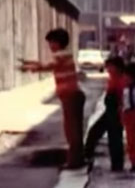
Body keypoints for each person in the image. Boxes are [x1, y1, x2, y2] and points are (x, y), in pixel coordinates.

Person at [19, 28, 85, 169]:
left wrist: (29, 67)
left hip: (71, 96)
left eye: (51, 42)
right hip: (72, 96)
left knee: (71, 131)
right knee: (75, 130)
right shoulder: (64, 55)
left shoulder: (61, 55)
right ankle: (77, 159)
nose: (50, 46)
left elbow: (47, 66)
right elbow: (47, 64)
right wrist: (30, 63)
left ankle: (74, 162)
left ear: (58, 43)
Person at [84, 56, 126, 172]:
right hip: (109, 111)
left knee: (115, 139)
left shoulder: (121, 80)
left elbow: (123, 98)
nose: (108, 69)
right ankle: (88, 156)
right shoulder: (113, 78)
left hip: (116, 112)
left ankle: (117, 165)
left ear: (117, 67)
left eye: (110, 67)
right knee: (95, 133)